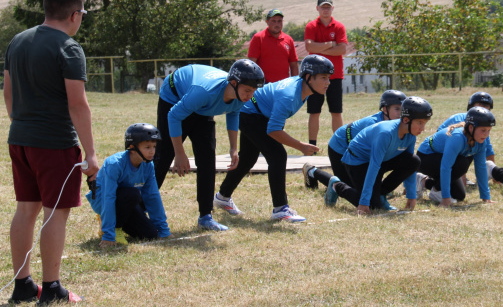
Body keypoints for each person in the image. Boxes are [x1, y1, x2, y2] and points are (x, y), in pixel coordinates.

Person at [4, 0, 98, 305]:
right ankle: (52, 288)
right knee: (55, 214)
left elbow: (7, 91)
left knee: (25, 210)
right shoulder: (69, 48)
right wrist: (92, 153)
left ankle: (23, 285)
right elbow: (78, 104)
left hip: (20, 140)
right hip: (55, 144)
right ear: (75, 14)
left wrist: (20, 123)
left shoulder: (17, 41)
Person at [215, 55, 334, 223]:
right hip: (249, 113)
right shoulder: (289, 94)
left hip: (256, 113)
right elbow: (273, 130)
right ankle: (280, 209)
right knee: (278, 156)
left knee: (248, 158)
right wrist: (300, 146)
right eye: (323, 78)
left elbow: (275, 119)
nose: (328, 82)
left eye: (328, 78)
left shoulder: (305, 89)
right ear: (308, 77)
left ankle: (222, 197)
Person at [154, 60, 264, 231]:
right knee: (163, 157)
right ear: (233, 83)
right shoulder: (204, 92)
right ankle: (140, 208)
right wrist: (179, 153)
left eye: (253, 91)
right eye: (248, 90)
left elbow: (234, 113)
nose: (250, 95)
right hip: (175, 96)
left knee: (207, 160)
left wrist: (233, 148)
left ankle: (205, 216)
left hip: (202, 108)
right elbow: (173, 116)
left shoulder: (241, 94)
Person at [324, 96, 433, 216]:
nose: (423, 128)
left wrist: (411, 196)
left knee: (414, 160)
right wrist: (364, 203)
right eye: (420, 123)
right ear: (406, 120)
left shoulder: (411, 135)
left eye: (425, 123)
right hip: (357, 161)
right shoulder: (385, 133)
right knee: (372, 205)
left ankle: (380, 193)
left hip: (379, 160)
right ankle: (336, 186)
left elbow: (410, 165)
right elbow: (373, 167)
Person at [302, 90, 406, 191]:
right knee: (348, 186)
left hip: (355, 149)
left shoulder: (398, 126)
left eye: (402, 110)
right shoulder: (375, 124)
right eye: (397, 109)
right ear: (385, 109)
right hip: (339, 146)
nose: (400, 114)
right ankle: (312, 171)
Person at [87, 124, 171, 248]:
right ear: (132, 147)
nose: (152, 151)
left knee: (151, 234)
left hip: (127, 201)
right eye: (147, 147)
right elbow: (108, 198)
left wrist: (164, 231)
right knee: (132, 194)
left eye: (154, 146)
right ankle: (112, 228)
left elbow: (152, 196)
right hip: (103, 201)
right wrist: (108, 235)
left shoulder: (148, 165)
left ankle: (120, 223)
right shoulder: (114, 164)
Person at [416, 107, 496, 207]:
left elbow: (481, 167)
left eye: (489, 130)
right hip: (425, 158)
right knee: (463, 163)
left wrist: (486, 197)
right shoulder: (457, 137)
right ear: (471, 128)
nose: (486, 134)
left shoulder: (481, 140)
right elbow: (446, 167)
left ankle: (422, 181)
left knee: (459, 196)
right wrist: (445, 198)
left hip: (442, 161)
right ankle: (436, 191)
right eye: (483, 130)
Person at [304, 0, 348, 147]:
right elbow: (309, 47)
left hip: (335, 76)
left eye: (328, 7)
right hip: (314, 76)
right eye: (323, 7)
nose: (325, 9)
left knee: (336, 111)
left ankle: (339, 144)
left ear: (332, 8)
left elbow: (342, 49)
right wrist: (330, 44)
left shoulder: (339, 27)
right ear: (317, 8)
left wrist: (320, 49)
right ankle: (312, 145)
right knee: (314, 111)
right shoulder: (311, 26)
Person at [248, 8, 299, 83]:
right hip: (263, 86)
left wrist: (294, 83)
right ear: (267, 22)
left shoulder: (288, 40)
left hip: (283, 86)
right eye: (273, 21)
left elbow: (294, 65)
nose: (277, 24)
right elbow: (252, 64)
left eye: (279, 21)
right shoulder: (258, 38)